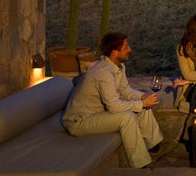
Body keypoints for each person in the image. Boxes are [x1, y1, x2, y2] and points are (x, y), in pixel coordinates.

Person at [62, 31, 164, 168]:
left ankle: (153, 144)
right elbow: (114, 107)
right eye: (126, 47)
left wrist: (142, 97)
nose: (130, 49)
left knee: (142, 105)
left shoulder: (118, 67)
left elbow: (125, 90)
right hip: (80, 120)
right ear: (115, 53)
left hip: (97, 113)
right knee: (127, 117)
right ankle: (140, 164)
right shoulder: (103, 72)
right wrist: (141, 103)